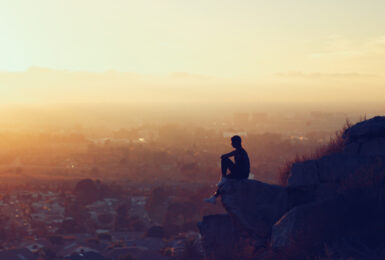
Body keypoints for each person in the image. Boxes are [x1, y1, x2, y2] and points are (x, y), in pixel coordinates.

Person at [204, 135, 250, 204]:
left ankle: (223, 178)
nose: (231, 144)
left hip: (241, 173)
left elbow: (225, 156)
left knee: (224, 160)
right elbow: (229, 156)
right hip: (240, 172)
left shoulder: (240, 152)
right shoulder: (239, 151)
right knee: (224, 182)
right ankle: (214, 197)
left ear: (236, 142)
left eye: (232, 142)